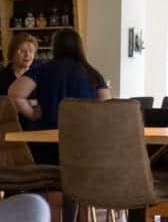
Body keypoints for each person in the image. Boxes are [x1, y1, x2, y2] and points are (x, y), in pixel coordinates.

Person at [11, 28, 111, 163]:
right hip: (83, 143)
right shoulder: (92, 74)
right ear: (79, 47)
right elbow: (106, 107)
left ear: (55, 47)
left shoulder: (43, 70)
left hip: (45, 142)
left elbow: (15, 93)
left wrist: (32, 113)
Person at [0, 32, 37, 98]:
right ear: (12, 53)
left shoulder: (40, 78)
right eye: (22, 51)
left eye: (31, 51)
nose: (27, 55)